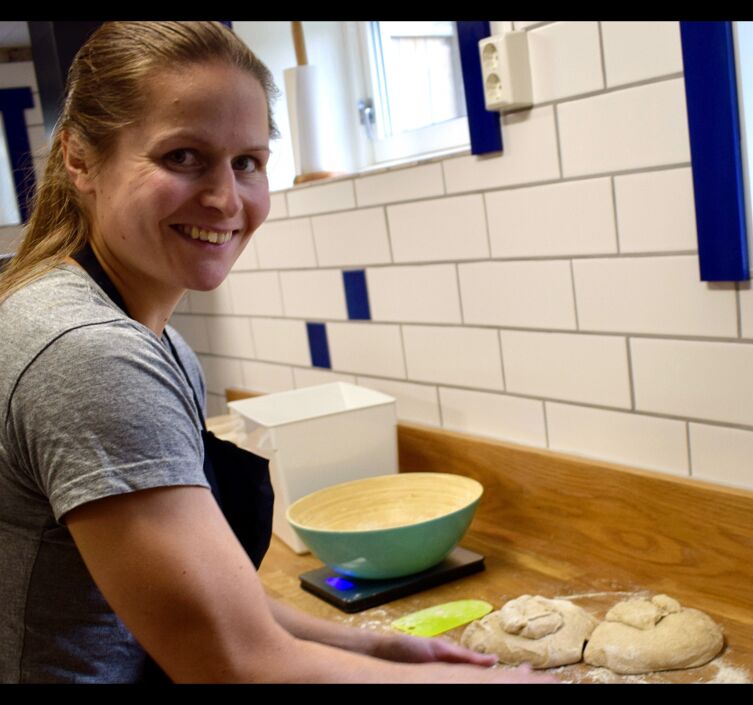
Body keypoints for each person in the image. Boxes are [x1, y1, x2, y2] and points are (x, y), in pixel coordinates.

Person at [0, 22, 552, 684]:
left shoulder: (147, 337)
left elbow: (204, 603)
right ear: (79, 158)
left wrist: (374, 648)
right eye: (182, 156)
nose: (226, 199)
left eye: (248, 162)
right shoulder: (90, 354)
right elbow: (230, 659)